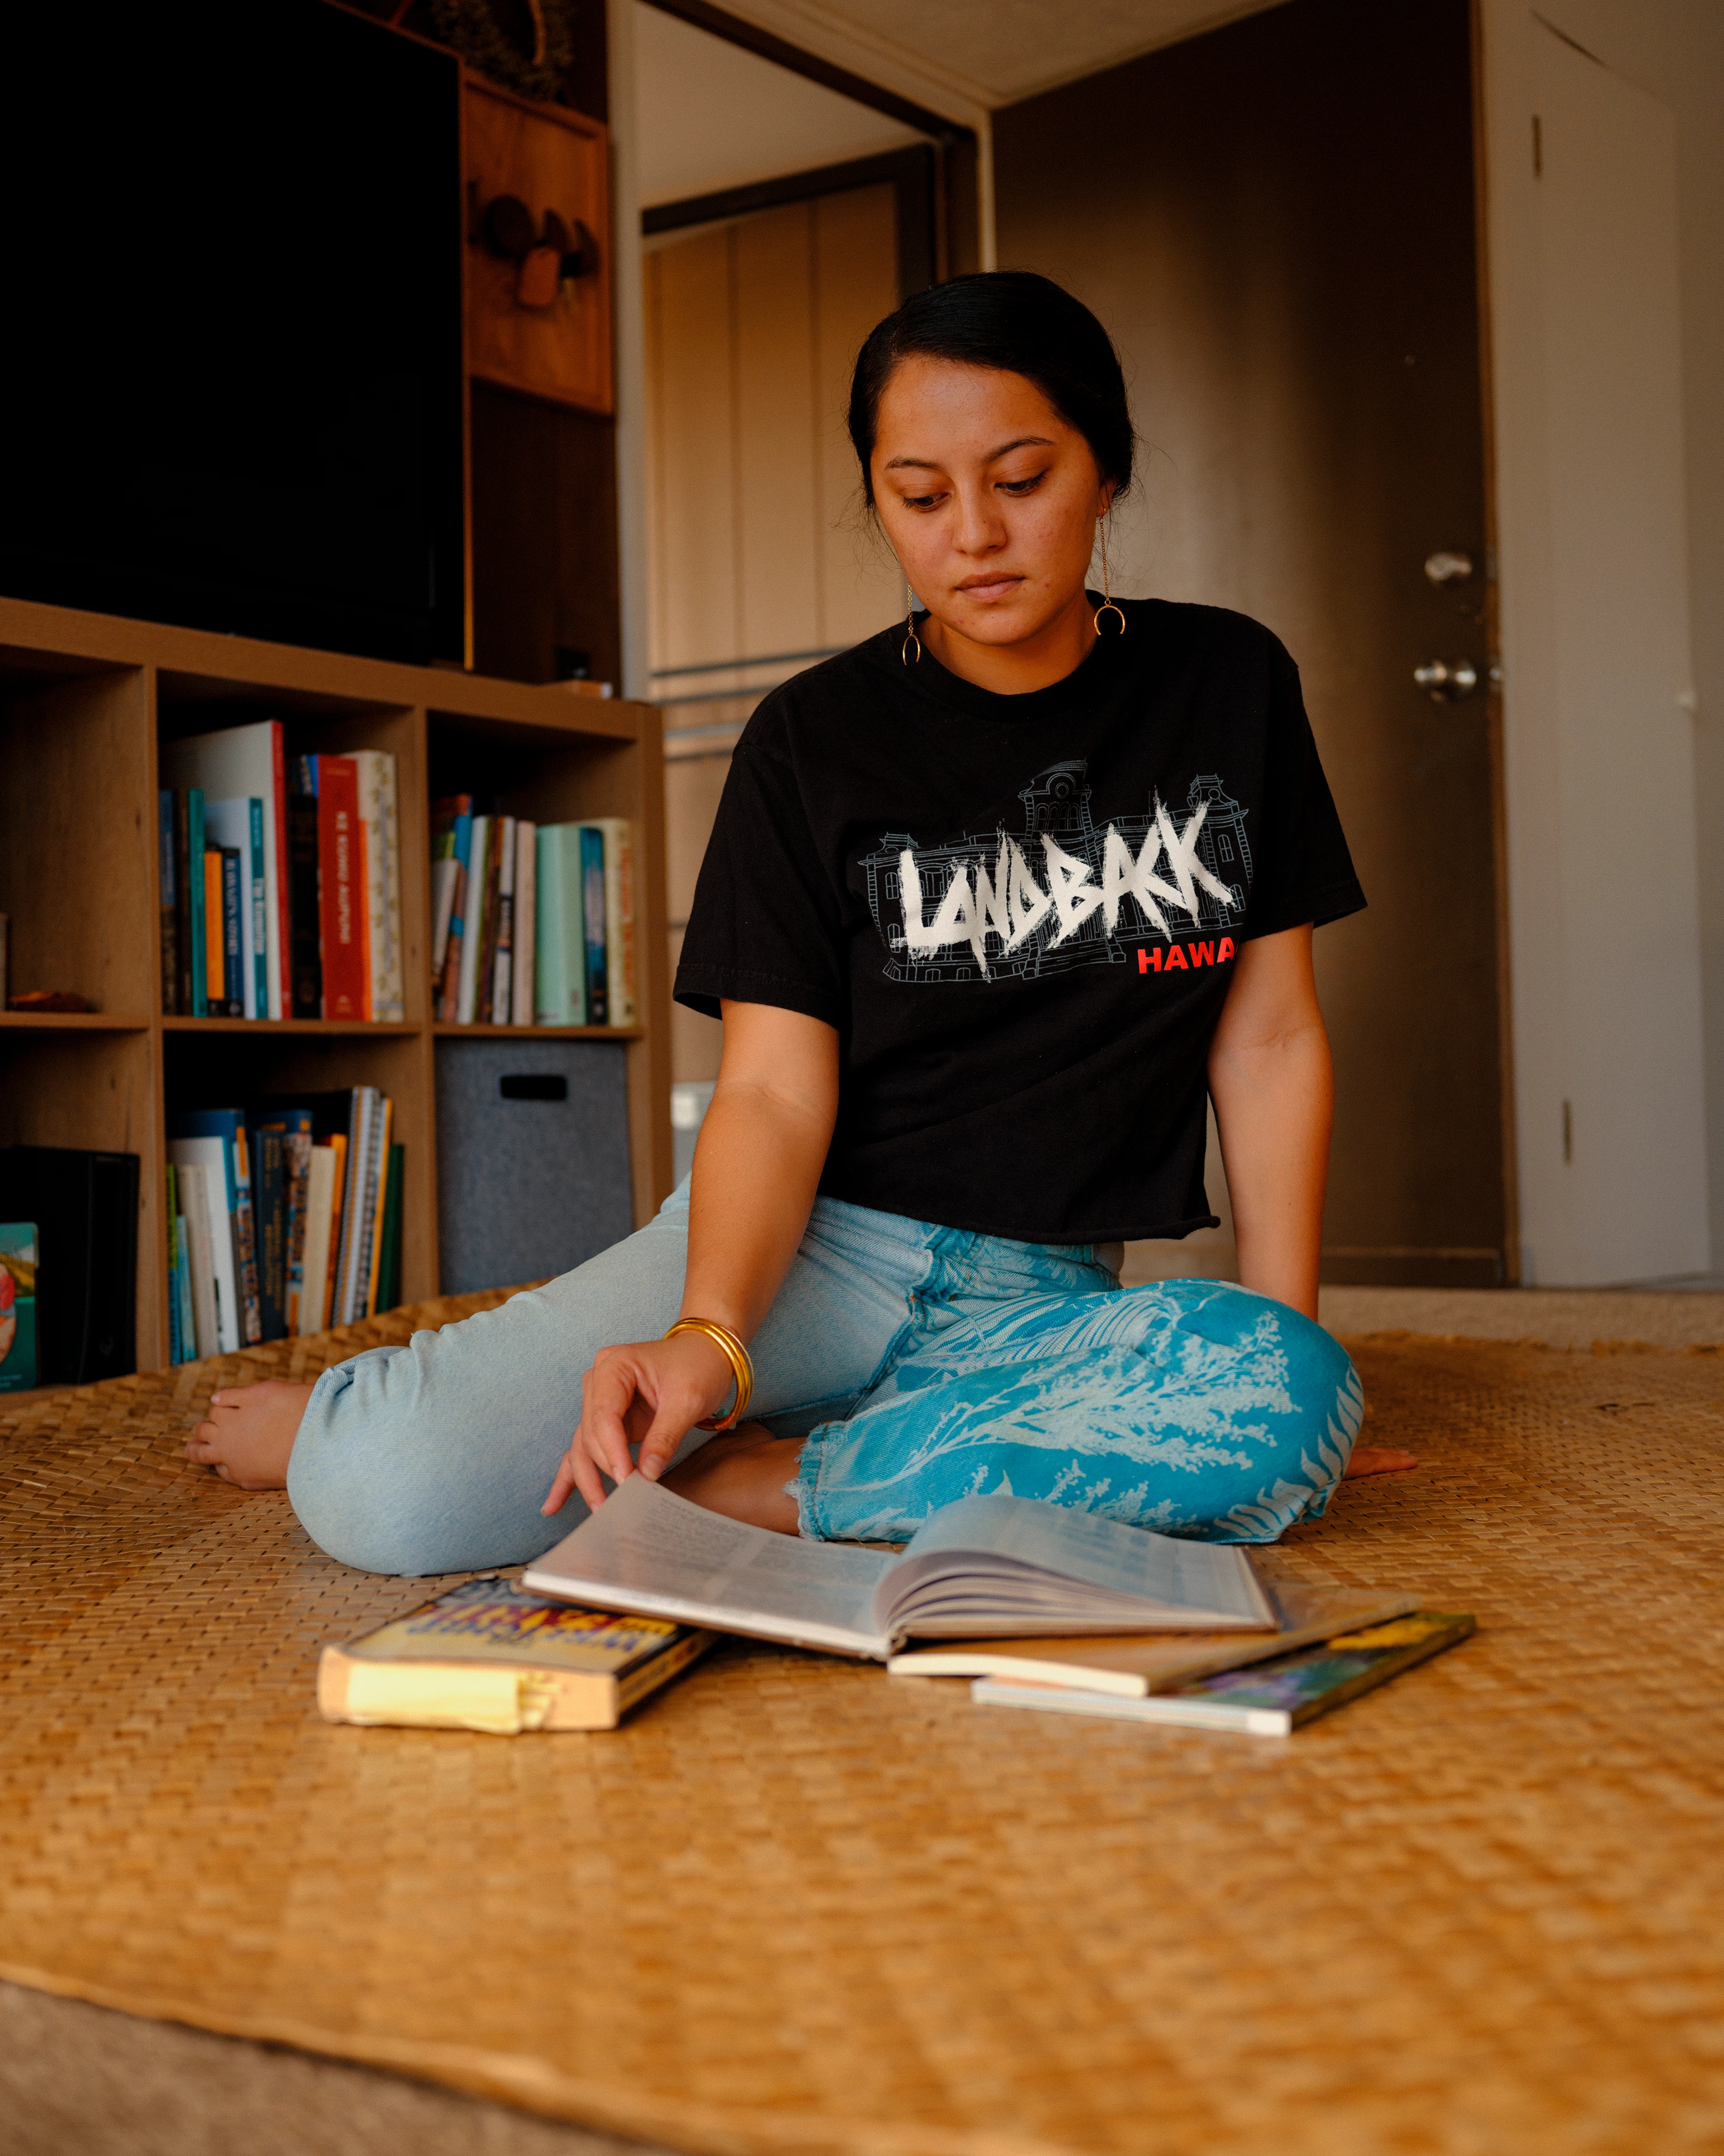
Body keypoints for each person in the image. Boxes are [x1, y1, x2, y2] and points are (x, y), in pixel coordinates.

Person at [190, 271, 1404, 1575]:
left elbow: (1267, 1043)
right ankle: (353, 1415)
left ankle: (768, 1482)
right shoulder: (811, 739)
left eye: (1021, 479)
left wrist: (1296, 1367)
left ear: (1104, 472)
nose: (974, 536)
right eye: (921, 497)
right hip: (811, 1247)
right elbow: (768, 1094)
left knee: (1273, 1389)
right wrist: (712, 1334)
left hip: (1042, 1301)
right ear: (878, 499)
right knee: (384, 1491)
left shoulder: (1226, 684)